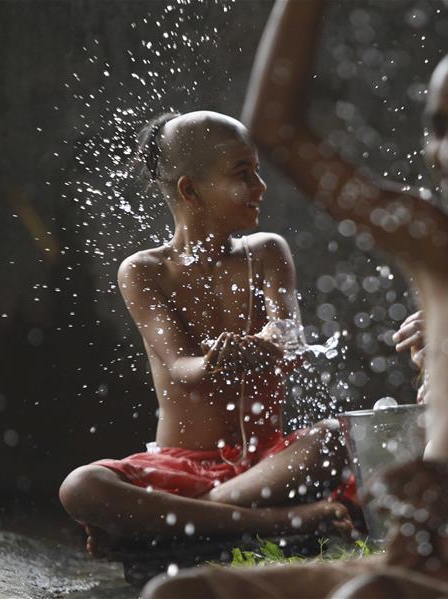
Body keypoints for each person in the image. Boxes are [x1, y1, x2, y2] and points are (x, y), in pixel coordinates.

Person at [143, 0, 448, 596]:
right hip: (421, 557)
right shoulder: (436, 247)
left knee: (368, 594)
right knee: (177, 593)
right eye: (439, 129)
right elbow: (277, 128)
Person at [58, 111, 355, 559]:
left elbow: (290, 334)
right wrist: (214, 360)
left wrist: (274, 340)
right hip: (180, 468)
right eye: (243, 173)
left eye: (257, 170)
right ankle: (271, 523)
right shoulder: (145, 270)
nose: (261, 186)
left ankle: (179, 522)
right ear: (189, 189)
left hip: (263, 468)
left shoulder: (268, 251)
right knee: (81, 487)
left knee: (335, 438)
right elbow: (179, 366)